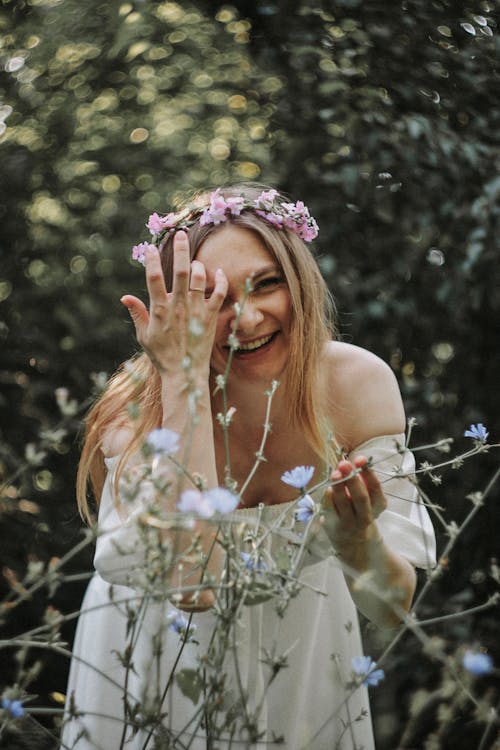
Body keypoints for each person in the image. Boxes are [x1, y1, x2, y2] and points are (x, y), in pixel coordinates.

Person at [61, 185, 436, 750]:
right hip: (159, 668)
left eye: (267, 283)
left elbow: (389, 607)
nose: (248, 317)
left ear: (300, 281)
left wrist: (358, 540)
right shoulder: (138, 407)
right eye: (211, 299)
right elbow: (193, 585)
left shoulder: (356, 385)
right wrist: (182, 377)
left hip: (302, 667)